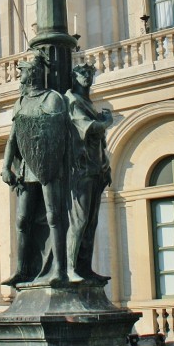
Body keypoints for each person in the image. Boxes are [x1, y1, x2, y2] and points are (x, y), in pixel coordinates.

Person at [1, 55, 68, 286]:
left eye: (23, 71)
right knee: (21, 220)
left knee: (53, 215)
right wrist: (5, 166)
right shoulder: (19, 102)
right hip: (26, 168)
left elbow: (57, 134)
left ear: (34, 73)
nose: (20, 75)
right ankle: (22, 269)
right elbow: (13, 138)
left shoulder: (52, 99)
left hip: (48, 165)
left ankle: (60, 269)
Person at [65, 63, 113, 283]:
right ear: (74, 76)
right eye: (83, 73)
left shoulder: (87, 102)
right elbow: (88, 128)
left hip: (95, 167)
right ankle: (70, 268)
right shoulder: (72, 100)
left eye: (90, 74)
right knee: (80, 220)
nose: (87, 77)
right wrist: (105, 122)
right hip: (80, 169)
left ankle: (84, 268)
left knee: (91, 222)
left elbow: (97, 138)